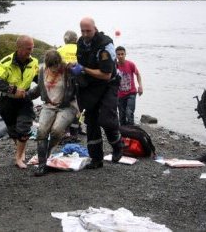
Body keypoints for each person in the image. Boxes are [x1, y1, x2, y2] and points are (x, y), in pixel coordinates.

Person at [71, 17, 123, 169]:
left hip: (108, 84)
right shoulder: (81, 43)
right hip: (90, 87)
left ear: (95, 29)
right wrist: (75, 69)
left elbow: (106, 74)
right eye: (83, 31)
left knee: (106, 119)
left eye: (88, 31)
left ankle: (118, 144)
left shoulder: (105, 45)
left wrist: (83, 69)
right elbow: (82, 63)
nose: (86, 34)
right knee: (91, 122)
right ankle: (96, 159)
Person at [0, 35, 39, 169]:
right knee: (13, 131)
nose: (31, 51)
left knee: (24, 129)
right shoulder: (6, 62)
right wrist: (13, 90)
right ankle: (19, 150)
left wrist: (41, 90)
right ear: (19, 48)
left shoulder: (34, 62)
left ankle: (19, 157)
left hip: (25, 100)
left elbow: (38, 79)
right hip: (8, 101)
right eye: (28, 48)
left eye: (32, 48)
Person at [27, 50, 78, 176]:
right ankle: (42, 165)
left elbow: (81, 85)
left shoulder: (68, 70)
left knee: (56, 130)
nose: (54, 69)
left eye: (56, 65)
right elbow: (39, 89)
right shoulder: (42, 70)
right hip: (49, 105)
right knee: (42, 131)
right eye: (51, 66)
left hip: (67, 106)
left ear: (60, 62)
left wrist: (77, 67)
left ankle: (49, 149)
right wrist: (25, 96)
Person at [116, 46, 143, 126]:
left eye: (122, 54)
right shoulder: (114, 66)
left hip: (131, 93)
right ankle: (123, 134)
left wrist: (140, 86)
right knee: (121, 116)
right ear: (116, 55)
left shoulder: (130, 64)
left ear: (125, 54)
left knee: (129, 112)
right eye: (118, 54)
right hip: (120, 95)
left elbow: (138, 74)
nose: (120, 56)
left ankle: (132, 131)